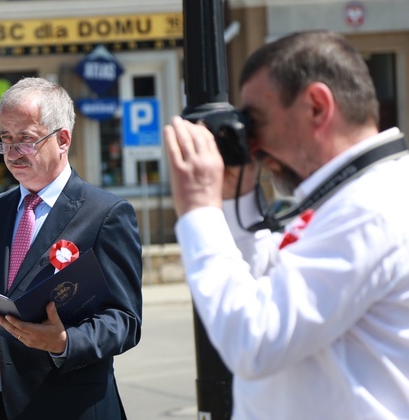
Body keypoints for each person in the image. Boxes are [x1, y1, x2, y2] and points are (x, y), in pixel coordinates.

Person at [163, 30, 409, 418]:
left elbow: (254, 340)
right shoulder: (351, 197)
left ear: (316, 106)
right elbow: (267, 287)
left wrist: (198, 209)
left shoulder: (370, 207)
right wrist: (234, 199)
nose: (255, 146)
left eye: (256, 122)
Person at [0, 77, 143, 419]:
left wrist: (64, 342)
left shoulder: (105, 214)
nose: (11, 152)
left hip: (67, 406)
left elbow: (124, 321)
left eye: (25, 139)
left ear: (62, 139)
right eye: (5, 139)